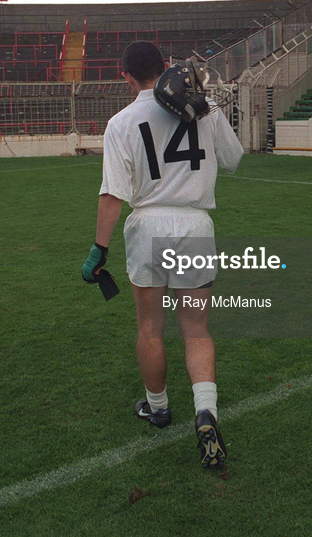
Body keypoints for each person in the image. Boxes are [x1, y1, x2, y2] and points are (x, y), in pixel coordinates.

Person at [81, 41, 243, 470]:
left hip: (148, 226)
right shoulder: (201, 107)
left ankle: (158, 407)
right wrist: (209, 110)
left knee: (150, 327)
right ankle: (205, 412)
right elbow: (234, 159)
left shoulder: (121, 122)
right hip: (195, 225)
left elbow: (113, 193)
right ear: (167, 66)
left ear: (126, 75)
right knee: (196, 328)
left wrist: (99, 249)